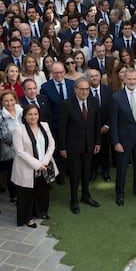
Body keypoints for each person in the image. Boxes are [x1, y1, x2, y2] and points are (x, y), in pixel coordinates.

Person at [59, 77, 101, 214]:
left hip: (89, 145)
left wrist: (98, 142)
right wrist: (62, 147)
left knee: (86, 172)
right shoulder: (67, 104)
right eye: (81, 89)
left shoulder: (94, 101)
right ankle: (74, 200)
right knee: (75, 174)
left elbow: (96, 124)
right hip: (73, 146)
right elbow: (62, 128)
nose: (84, 92)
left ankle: (85, 196)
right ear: (75, 89)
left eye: (87, 89)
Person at [11, 104, 58, 228]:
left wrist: (45, 162)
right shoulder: (19, 130)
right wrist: (37, 165)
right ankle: (27, 218)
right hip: (27, 168)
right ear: (25, 116)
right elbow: (20, 152)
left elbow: (51, 144)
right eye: (30, 114)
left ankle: (42, 212)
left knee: (43, 191)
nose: (33, 117)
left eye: (35, 114)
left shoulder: (44, 126)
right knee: (27, 194)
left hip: (44, 166)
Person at [111, 68, 136, 206]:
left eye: (134, 79)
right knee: (122, 169)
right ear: (124, 80)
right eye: (129, 79)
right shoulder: (116, 97)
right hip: (123, 140)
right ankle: (119, 194)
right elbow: (113, 121)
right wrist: (116, 141)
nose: (132, 81)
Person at [0, 90, 23, 204]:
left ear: (15, 100)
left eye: (11, 100)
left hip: (24, 148)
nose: (9, 103)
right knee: (12, 172)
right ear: (2, 102)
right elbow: (4, 136)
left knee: (22, 172)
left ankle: (22, 193)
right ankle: (14, 195)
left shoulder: (21, 111)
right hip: (10, 149)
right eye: (6, 101)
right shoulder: (0, 116)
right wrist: (19, 141)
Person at [88, 68, 113, 183]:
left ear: (100, 77)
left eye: (96, 76)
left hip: (105, 128)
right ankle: (93, 171)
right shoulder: (85, 91)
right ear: (88, 78)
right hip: (91, 129)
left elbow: (112, 110)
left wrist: (107, 125)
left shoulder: (108, 90)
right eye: (91, 76)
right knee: (93, 151)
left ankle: (105, 171)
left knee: (104, 150)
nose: (94, 78)